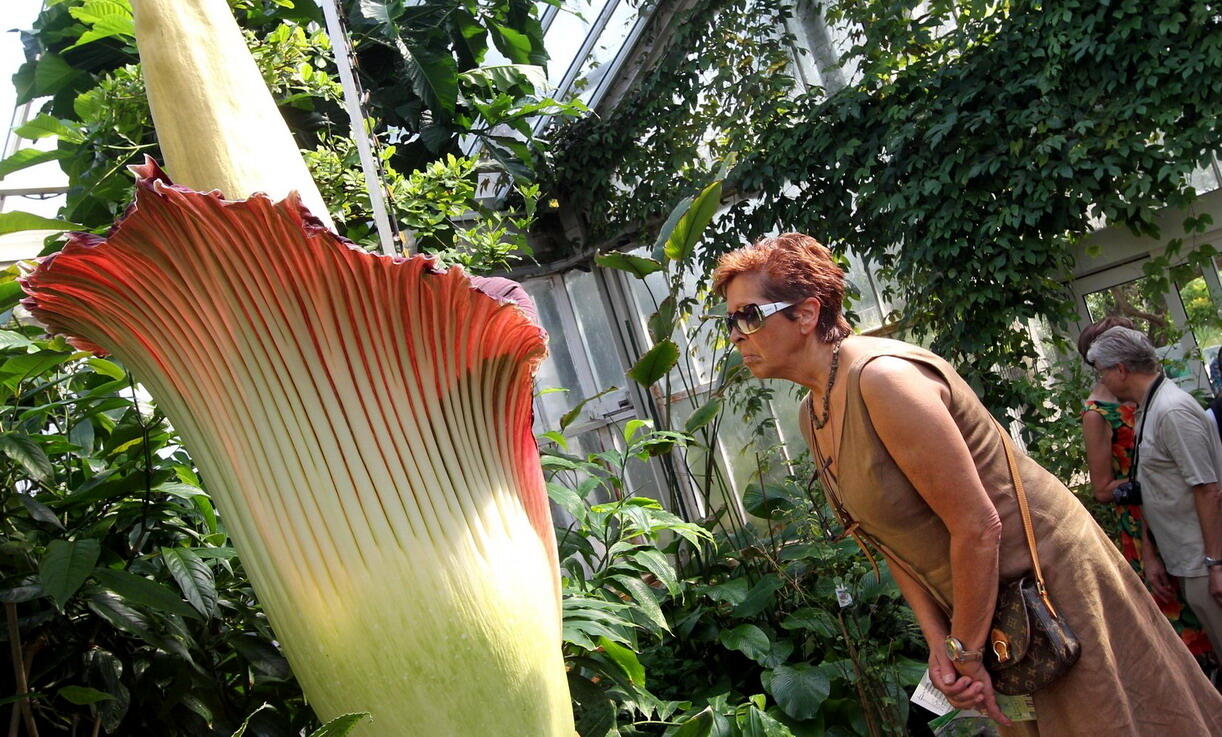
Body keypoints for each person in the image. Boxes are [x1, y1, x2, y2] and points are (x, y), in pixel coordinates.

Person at [712, 233, 1222, 736]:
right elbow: (889, 541)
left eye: (749, 315)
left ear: (805, 313)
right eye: (729, 319)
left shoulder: (884, 378)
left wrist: (967, 649)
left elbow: (979, 526)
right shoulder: (813, 412)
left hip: (1048, 591)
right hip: (989, 612)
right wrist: (944, 646)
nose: (736, 333)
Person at [1079, 318, 1216, 662]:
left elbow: (1208, 488)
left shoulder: (1170, 411)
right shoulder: (1145, 408)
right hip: (1177, 548)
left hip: (1201, 552)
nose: (1101, 380)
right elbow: (1148, 485)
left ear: (1121, 369)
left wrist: (1216, 564)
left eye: (1102, 371)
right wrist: (1151, 552)